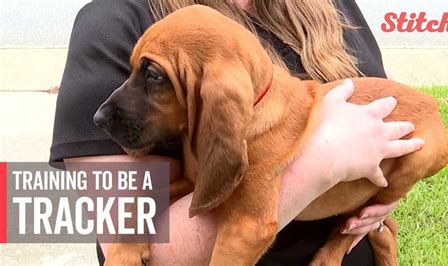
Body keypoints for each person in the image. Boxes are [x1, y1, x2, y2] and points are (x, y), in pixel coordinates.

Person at [50, 0, 424, 265]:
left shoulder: (328, 6)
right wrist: (320, 162)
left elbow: (384, 125)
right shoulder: (111, 24)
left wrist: (385, 188)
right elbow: (133, 250)